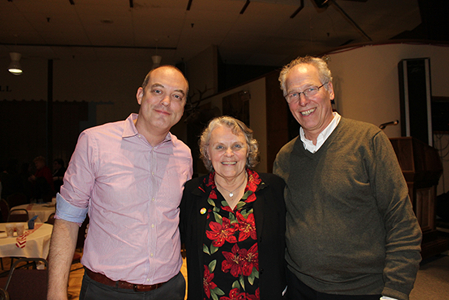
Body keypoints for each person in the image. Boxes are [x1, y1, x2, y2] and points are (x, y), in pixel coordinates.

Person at [273, 56, 422, 300]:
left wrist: (395, 291)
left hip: (362, 290)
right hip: (299, 286)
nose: (303, 101)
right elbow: (281, 227)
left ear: (329, 90)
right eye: (293, 94)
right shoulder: (285, 156)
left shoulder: (369, 141)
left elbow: (401, 221)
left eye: (310, 89)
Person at [47, 65, 193, 300]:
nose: (166, 101)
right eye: (157, 91)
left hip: (170, 290)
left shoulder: (184, 154)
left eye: (177, 96)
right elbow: (67, 220)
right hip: (107, 291)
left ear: (183, 106)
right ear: (139, 95)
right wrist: (56, 293)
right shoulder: (94, 142)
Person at [180, 116, 287, 300]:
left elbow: (289, 247)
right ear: (208, 152)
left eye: (237, 146)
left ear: (248, 150)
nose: (229, 153)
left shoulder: (272, 189)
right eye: (219, 147)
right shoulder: (193, 193)